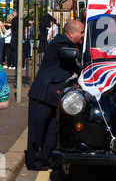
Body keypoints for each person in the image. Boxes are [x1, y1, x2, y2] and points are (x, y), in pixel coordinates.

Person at [26, 19, 85, 170]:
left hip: (55, 95)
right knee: (37, 131)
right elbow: (76, 56)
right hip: (43, 94)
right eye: (82, 32)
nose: (84, 35)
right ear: (71, 33)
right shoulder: (61, 42)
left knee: (52, 130)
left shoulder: (70, 43)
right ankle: (33, 161)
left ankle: (46, 158)